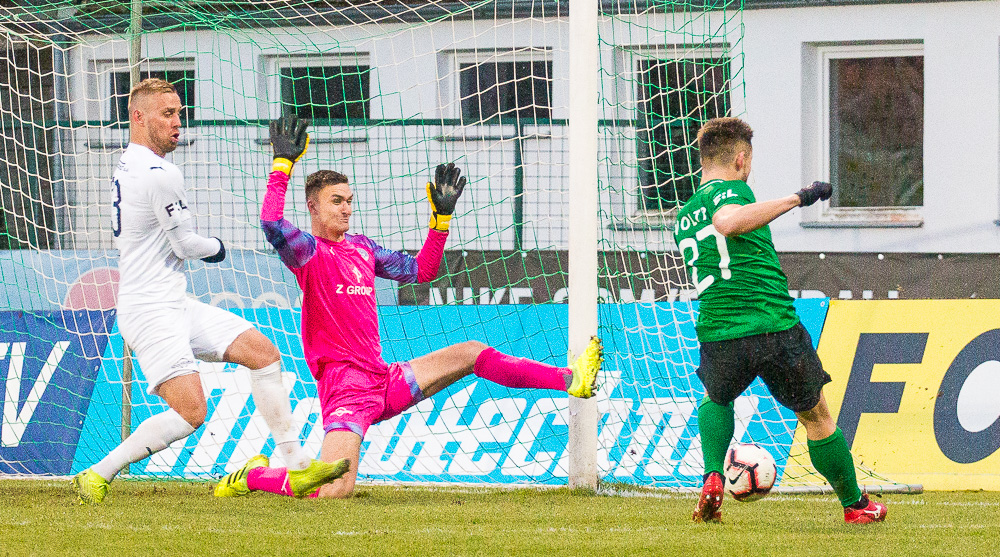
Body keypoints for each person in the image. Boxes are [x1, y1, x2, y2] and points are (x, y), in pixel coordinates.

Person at [213, 115, 603, 499]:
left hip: (384, 380)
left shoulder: (363, 247)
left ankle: (572, 379)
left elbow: (422, 271)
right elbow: (271, 223)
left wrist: (441, 220)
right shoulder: (308, 252)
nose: (346, 209)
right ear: (313, 207)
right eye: (337, 201)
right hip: (346, 390)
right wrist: (282, 165)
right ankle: (254, 477)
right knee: (335, 490)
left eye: (349, 201)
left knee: (472, 352)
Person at [72, 79, 347, 505]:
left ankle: (296, 466)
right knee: (192, 413)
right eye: (168, 114)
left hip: (172, 301)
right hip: (150, 310)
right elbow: (186, 245)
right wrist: (219, 247)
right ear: (138, 117)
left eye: (180, 113)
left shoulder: (128, 162)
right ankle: (96, 473)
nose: (177, 123)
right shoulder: (160, 173)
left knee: (263, 354)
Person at [674, 117, 887, 524]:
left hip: (718, 330)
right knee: (816, 417)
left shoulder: (683, 215)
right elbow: (728, 222)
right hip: (772, 324)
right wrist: (798, 198)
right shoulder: (733, 191)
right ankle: (855, 505)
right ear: (741, 159)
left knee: (717, 398)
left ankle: (713, 475)